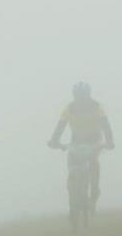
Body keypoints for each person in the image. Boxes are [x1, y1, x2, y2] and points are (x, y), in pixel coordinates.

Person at [47, 82, 115, 214]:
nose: (80, 99)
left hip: (94, 141)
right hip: (76, 143)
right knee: (72, 167)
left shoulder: (97, 107)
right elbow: (60, 126)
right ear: (74, 96)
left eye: (83, 96)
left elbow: (105, 125)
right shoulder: (69, 108)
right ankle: (72, 191)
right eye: (78, 96)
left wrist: (109, 141)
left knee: (93, 162)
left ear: (88, 95)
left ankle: (94, 190)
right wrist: (54, 141)